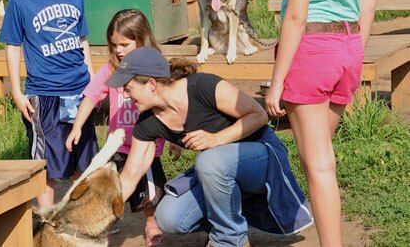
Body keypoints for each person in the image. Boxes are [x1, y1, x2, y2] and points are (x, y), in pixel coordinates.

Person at [105, 47, 314, 247]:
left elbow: (259, 115)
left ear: (151, 84)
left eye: (128, 87)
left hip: (261, 157)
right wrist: (101, 215)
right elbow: (131, 174)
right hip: (218, 173)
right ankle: (226, 226)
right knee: (168, 216)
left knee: (210, 160)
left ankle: (230, 241)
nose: (124, 93)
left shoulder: (203, 86)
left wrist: (216, 139)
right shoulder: (147, 122)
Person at [264, 0, 379, 246]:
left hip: (311, 49)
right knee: (315, 155)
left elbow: (297, 15)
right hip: (348, 47)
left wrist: (276, 82)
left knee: (320, 166)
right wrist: (354, 52)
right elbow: (368, 5)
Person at [0, 0, 98, 210]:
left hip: (79, 92)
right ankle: (46, 218)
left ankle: (86, 216)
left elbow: (82, 40)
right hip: (44, 94)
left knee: (84, 159)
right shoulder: (20, 0)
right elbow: (13, 47)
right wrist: (17, 93)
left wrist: (93, 82)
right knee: (47, 164)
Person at [66, 9, 178, 246]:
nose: (118, 50)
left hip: (147, 148)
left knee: (150, 194)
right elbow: (90, 96)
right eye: (114, 45)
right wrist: (77, 127)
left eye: (124, 44)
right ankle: (104, 226)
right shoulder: (111, 69)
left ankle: (151, 226)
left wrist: (175, 140)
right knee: (107, 193)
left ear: (142, 40)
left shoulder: (155, 69)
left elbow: (170, 107)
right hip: (117, 147)